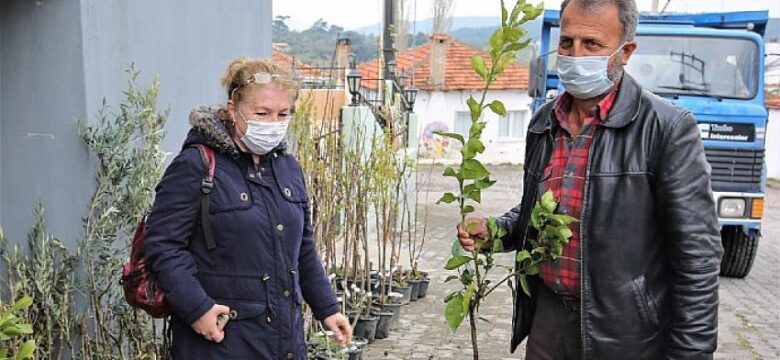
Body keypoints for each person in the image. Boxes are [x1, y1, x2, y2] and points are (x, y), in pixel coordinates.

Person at [457, 0, 722, 359]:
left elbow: (697, 256)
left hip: (625, 330)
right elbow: (540, 209)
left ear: (625, 51)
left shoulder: (666, 128)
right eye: (567, 42)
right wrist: (497, 231)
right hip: (548, 318)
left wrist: (690, 353)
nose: (575, 55)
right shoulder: (544, 122)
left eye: (592, 44)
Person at [144, 57, 351, 359]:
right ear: (233, 108)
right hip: (221, 340)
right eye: (262, 113)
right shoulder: (197, 165)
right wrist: (197, 308)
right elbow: (163, 247)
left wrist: (327, 308)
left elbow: (303, 247)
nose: (274, 123)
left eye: (283, 114)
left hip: (284, 340)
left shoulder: (287, 167)